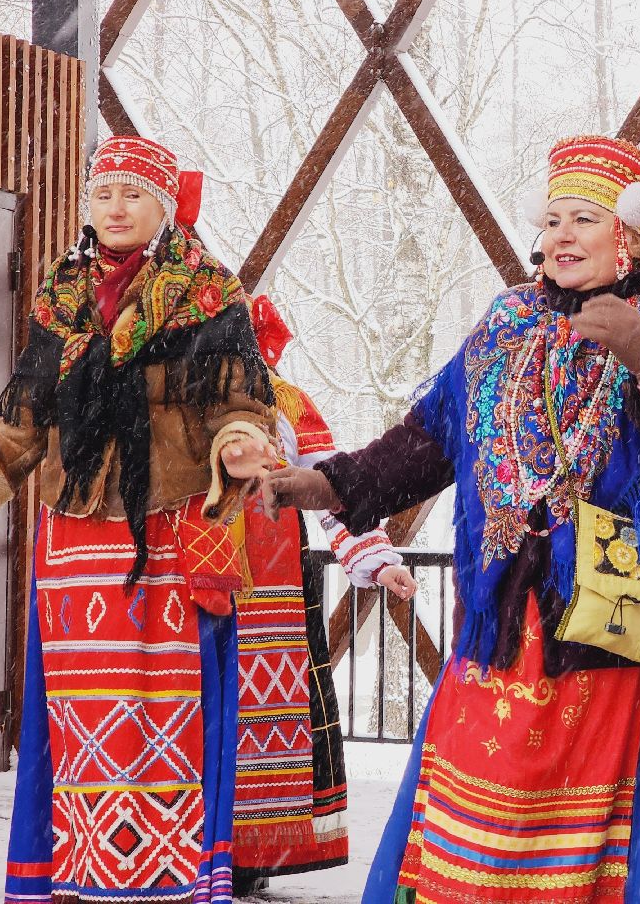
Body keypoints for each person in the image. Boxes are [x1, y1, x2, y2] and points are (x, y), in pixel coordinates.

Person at [264, 134, 640, 903]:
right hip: (509, 622)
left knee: (615, 847)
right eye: (553, 218)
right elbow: (430, 440)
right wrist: (326, 485)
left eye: (584, 219)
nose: (560, 236)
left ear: (631, 235)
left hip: (628, 634)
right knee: (476, 838)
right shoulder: (507, 324)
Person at [0, 136, 277, 904]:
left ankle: (169, 881)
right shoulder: (62, 293)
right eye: (102, 194)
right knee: (77, 724)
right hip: (75, 543)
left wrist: (243, 443)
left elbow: (240, 405)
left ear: (163, 208)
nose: (114, 208)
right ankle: (80, 880)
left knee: (169, 721)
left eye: (132, 194)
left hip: (169, 533)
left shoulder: (211, 293)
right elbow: (21, 425)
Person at [228, 293, 414, 895]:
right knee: (214, 708)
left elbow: (333, 491)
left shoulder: (287, 406)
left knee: (268, 717)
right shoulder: (179, 402)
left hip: (275, 586)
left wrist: (377, 559)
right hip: (200, 585)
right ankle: (203, 841)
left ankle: (255, 853)